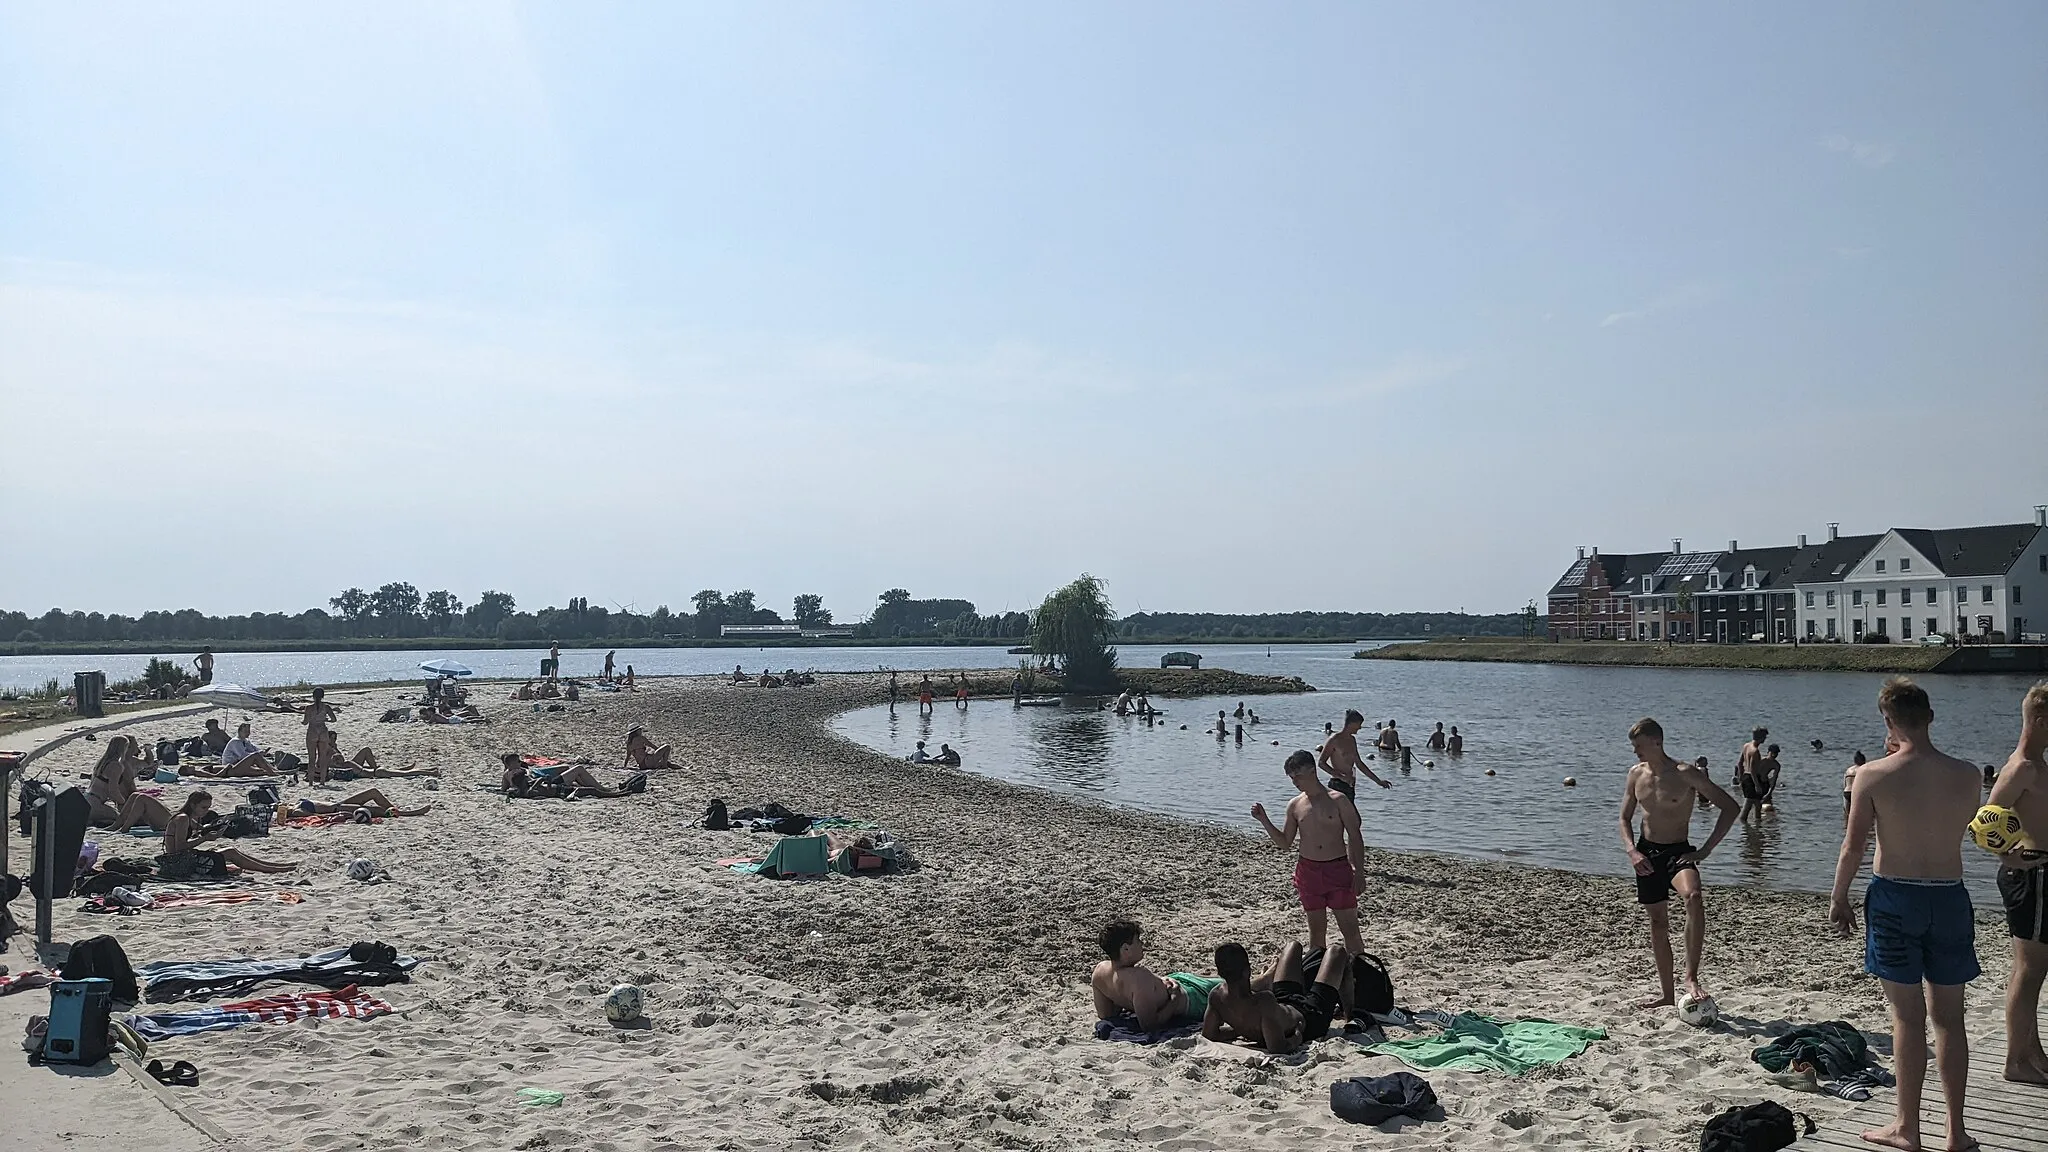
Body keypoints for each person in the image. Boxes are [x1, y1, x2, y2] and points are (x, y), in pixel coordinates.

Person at [1829, 678, 1983, 1152]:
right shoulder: (1968, 774)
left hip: (1896, 897)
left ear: (1888, 721)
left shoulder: (1872, 774)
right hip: (1950, 896)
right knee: (1949, 1020)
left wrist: (1839, 898)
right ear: (1931, 716)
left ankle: (1907, 1128)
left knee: (1907, 1020)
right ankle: (1956, 1132)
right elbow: (1966, 830)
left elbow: (1855, 844)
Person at [1618, 717, 1739, 1009]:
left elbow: (1730, 807)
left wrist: (1705, 850)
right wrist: (1632, 851)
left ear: (1656, 742)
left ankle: (1691, 977)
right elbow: (1624, 818)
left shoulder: (1686, 773)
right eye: (1633, 747)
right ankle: (1666, 995)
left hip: (1678, 852)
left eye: (1639, 746)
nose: (1635, 752)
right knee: (1658, 923)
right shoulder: (1636, 774)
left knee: (1693, 897)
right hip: (1647, 853)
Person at [1985, 682, 2048, 1085]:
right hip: (2033, 878)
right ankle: (2014, 1062)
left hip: (2038, 877)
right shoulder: (2023, 766)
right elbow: (1986, 818)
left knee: (2032, 970)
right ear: (2041, 721)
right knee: (2029, 972)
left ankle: (2033, 1050)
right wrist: (2008, 855)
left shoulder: (2034, 763)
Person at [1253, 750, 1367, 958]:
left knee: (1350, 931)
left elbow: (1355, 836)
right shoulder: (1295, 805)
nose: (1295, 781)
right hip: (1308, 872)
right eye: (1291, 777)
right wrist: (1264, 821)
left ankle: (1359, 974)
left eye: (1298, 775)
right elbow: (1285, 843)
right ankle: (1319, 976)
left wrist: (1359, 871)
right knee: (1316, 936)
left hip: (1337, 869)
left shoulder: (1338, 800)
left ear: (1312, 771)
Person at [1202, 940, 1351, 1054]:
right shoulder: (1263, 1001)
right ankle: (1350, 1016)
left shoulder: (1216, 997)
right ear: (1247, 970)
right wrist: (1297, 1038)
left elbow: (1209, 1034)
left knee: (1293, 946)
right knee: (1338, 951)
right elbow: (1278, 1048)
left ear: (1220, 973)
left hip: (1281, 1003)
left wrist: (1239, 1030)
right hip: (1310, 1016)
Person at [1090, 920, 1200, 1032]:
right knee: (1216, 984)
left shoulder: (1100, 971)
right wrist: (1175, 999)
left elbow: (1106, 1015)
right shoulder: (1139, 978)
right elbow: (1150, 1026)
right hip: (1193, 996)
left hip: (1176, 981)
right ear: (1126, 949)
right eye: (1138, 941)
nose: (1142, 944)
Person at [159, 792, 296, 878]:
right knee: (230, 852)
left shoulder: (189, 818)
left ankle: (276, 866)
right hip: (176, 863)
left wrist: (215, 830)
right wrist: (205, 838)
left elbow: (201, 829)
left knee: (232, 851)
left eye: (208, 807)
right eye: (204, 807)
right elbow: (180, 847)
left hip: (182, 859)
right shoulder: (182, 818)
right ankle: (273, 869)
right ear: (193, 805)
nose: (206, 811)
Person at [86, 736, 170, 831]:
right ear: (124, 748)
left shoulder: (102, 762)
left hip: (87, 800)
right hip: (96, 805)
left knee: (119, 816)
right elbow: (113, 790)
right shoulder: (116, 765)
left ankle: (93, 820)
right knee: (124, 819)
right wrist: (124, 804)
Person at [500, 752, 643, 799]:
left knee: (574, 774)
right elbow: (532, 785)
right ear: (512, 763)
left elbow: (503, 789)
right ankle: (605, 790)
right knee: (578, 769)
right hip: (553, 787)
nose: (520, 763)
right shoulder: (518, 773)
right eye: (518, 762)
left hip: (550, 786)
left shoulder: (508, 775)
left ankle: (603, 790)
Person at [1317, 710, 1392, 801]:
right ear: (1351, 724)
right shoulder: (1334, 739)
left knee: (1351, 814)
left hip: (1350, 785)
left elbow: (1359, 764)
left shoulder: (1352, 740)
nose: (1360, 727)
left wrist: (1378, 781)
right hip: (1337, 785)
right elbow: (1321, 763)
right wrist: (1341, 777)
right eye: (1359, 724)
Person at [317, 732, 437, 781]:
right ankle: (429, 771)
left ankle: (430, 772)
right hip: (375, 772)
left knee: (402, 773)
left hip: (375, 772)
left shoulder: (345, 763)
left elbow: (338, 761)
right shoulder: (338, 760)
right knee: (402, 774)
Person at [201, 722, 281, 777]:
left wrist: (263, 752)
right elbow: (242, 756)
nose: (248, 733)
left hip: (238, 765)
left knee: (260, 766)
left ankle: (274, 770)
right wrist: (258, 754)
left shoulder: (245, 741)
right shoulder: (235, 741)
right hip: (232, 766)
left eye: (248, 731)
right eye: (245, 731)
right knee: (256, 757)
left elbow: (253, 749)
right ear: (239, 731)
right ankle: (273, 773)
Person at [292, 789, 432, 819]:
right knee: (375, 810)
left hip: (340, 803)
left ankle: (397, 810)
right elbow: (315, 817)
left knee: (374, 792)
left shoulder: (296, 804)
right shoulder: (297, 812)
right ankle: (407, 813)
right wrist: (339, 815)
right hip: (339, 808)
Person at [1735, 725, 1770, 822]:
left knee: (1758, 804)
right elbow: (1753, 771)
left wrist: (1740, 778)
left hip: (1746, 777)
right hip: (1752, 779)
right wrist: (1757, 785)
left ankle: (1757, 825)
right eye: (1764, 737)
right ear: (1761, 737)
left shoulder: (1746, 746)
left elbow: (1739, 763)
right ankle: (1743, 824)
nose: (1765, 739)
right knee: (1748, 805)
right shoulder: (1755, 752)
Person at [296, 687, 337, 764]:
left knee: (312, 759)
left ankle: (311, 776)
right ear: (323, 696)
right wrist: (326, 720)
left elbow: (305, 722)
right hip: (322, 730)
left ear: (313, 696)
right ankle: (323, 776)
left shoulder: (309, 708)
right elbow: (334, 719)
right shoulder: (326, 707)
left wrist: (301, 722)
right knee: (322, 758)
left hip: (313, 730)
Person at [1843, 751, 1867, 818]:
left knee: (1847, 814)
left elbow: (1844, 783)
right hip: (1856, 792)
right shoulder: (1862, 769)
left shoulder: (1848, 770)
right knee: (1859, 814)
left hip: (1846, 792)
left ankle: (1846, 827)